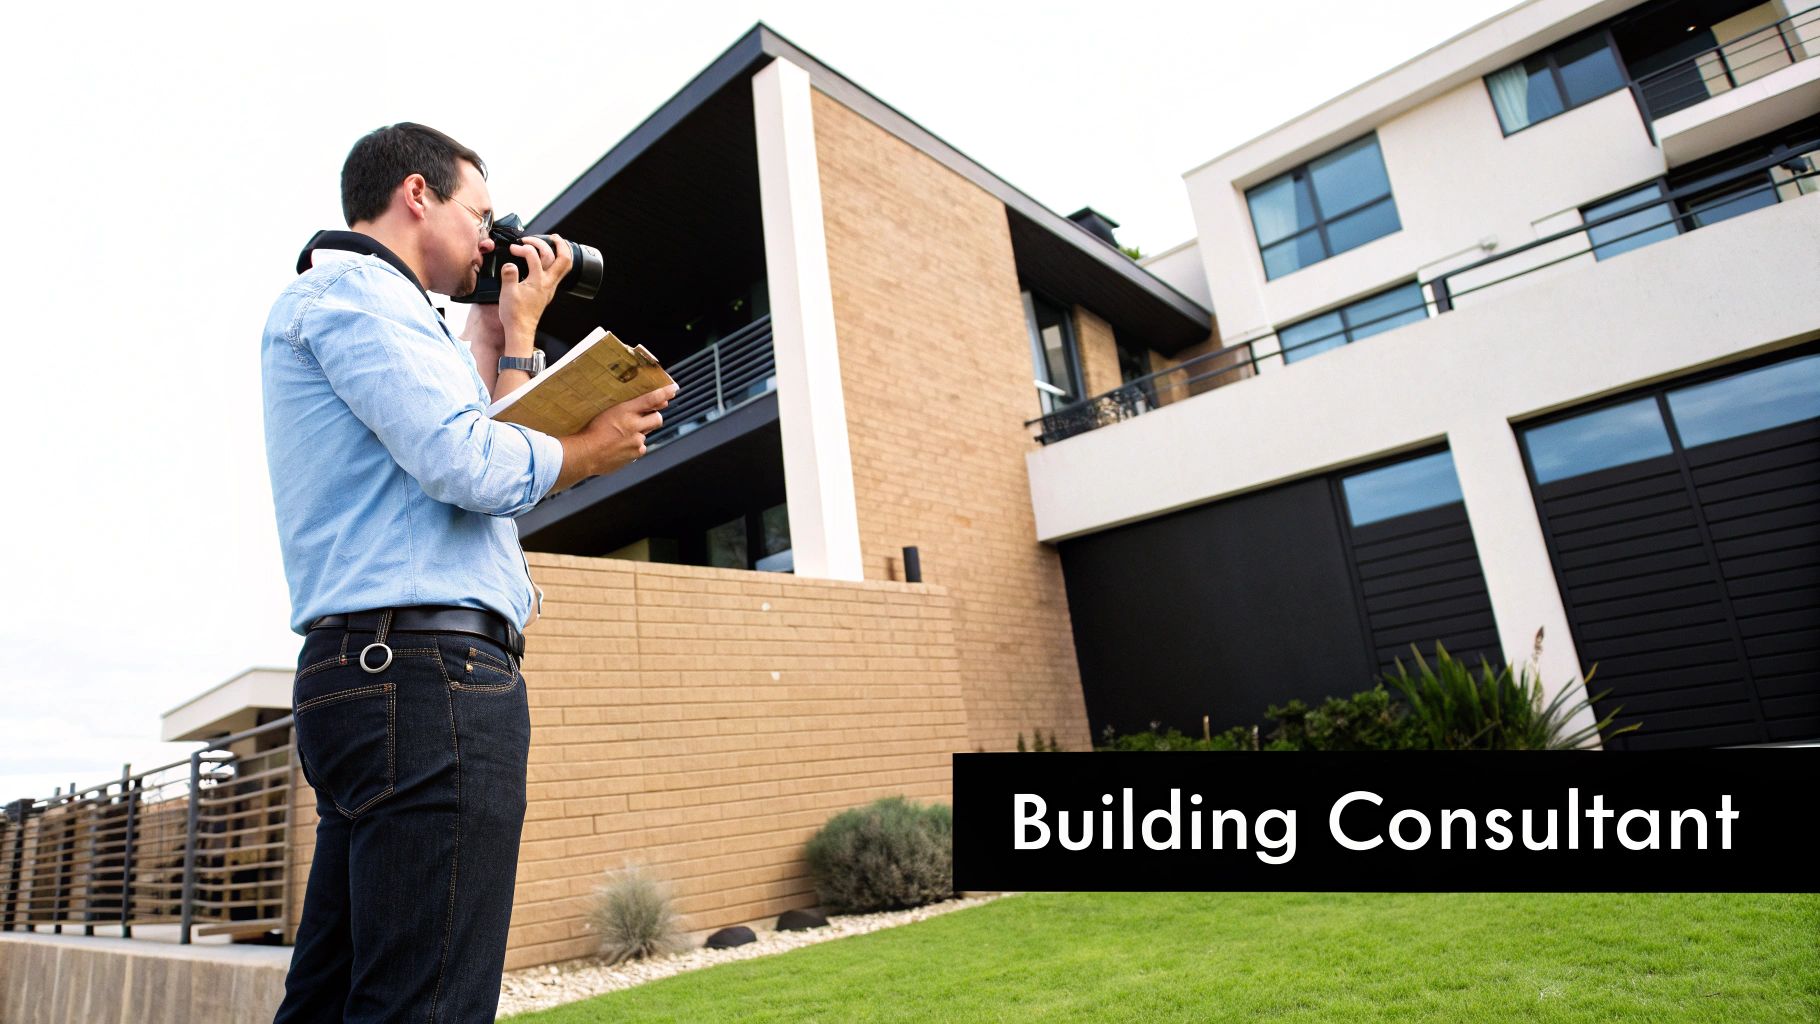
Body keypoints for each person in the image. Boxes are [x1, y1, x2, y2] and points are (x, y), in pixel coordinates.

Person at [262, 122, 676, 1022]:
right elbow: (475, 466)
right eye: (480, 213)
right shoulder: (361, 297)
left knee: (336, 1000)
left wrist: (504, 330)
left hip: (384, 679)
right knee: (428, 1004)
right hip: (426, 682)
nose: (493, 237)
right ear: (418, 195)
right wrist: (589, 451)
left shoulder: (394, 317)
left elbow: (482, 459)